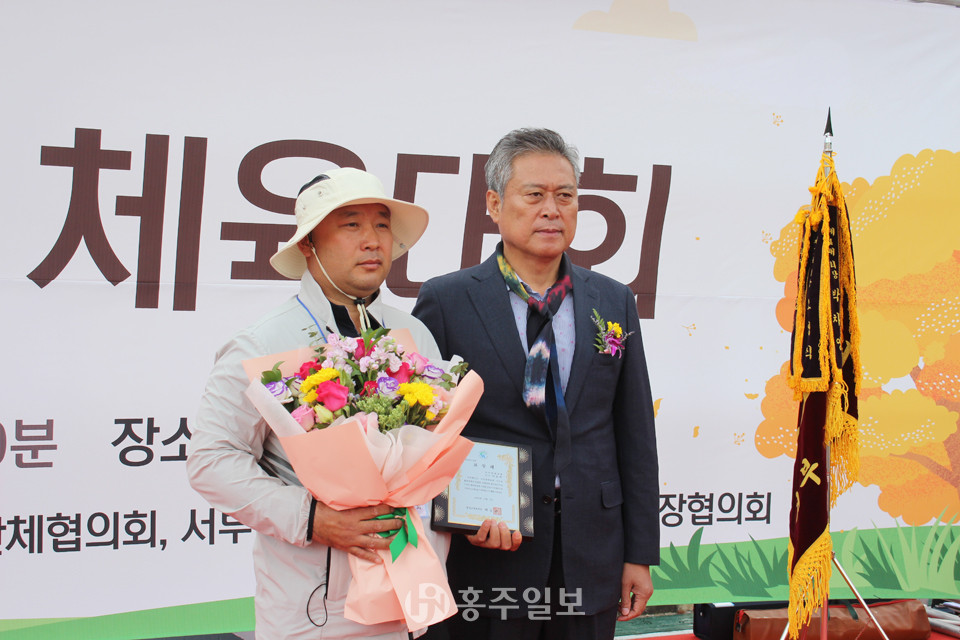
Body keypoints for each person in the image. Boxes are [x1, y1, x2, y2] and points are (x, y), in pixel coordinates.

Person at [413, 128, 659, 640]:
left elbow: (634, 432)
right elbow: (422, 433)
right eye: (534, 195)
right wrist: (458, 514)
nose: (552, 210)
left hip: (591, 550)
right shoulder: (448, 300)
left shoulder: (613, 300)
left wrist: (639, 553)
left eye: (565, 195)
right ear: (494, 204)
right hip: (489, 554)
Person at [187, 167, 448, 639]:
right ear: (308, 243)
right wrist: (312, 519)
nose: (372, 240)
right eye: (351, 224)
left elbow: (438, 453)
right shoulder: (262, 343)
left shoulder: (414, 334)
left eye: (382, 225)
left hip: (408, 597)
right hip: (313, 608)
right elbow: (211, 459)